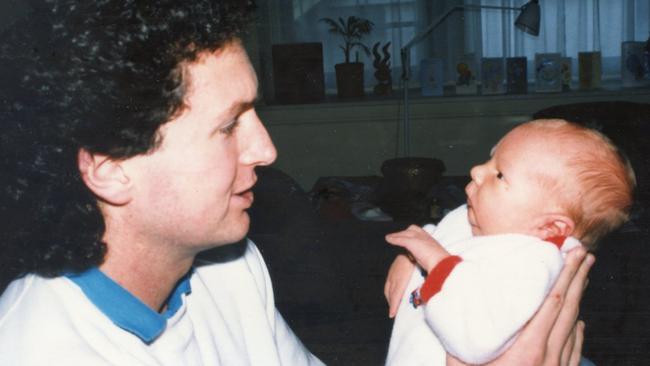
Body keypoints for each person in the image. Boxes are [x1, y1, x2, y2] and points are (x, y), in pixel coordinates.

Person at [0, 1, 593, 365]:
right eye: (230, 125)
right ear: (109, 168)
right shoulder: (45, 351)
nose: (266, 149)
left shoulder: (228, 265)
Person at [383, 119, 635, 365]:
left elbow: (476, 342)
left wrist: (434, 260)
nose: (477, 171)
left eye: (500, 174)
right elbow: (445, 231)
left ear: (550, 228)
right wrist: (412, 253)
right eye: (489, 159)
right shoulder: (486, 219)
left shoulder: (532, 264)